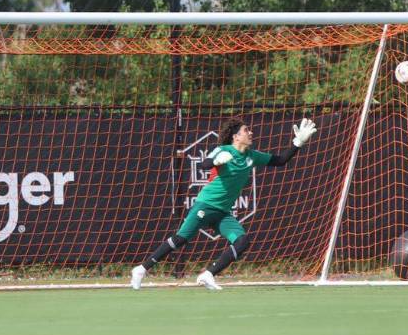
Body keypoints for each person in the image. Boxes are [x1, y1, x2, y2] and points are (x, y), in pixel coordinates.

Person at [131, 117, 317, 290]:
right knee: (181, 238)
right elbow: (204, 164)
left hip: (223, 212)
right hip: (206, 205)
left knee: (242, 241)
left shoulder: (252, 156)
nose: (250, 133)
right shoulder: (225, 150)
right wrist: (216, 160)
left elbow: (280, 160)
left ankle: (208, 274)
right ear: (236, 137)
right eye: (246, 130)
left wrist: (298, 143)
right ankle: (141, 269)